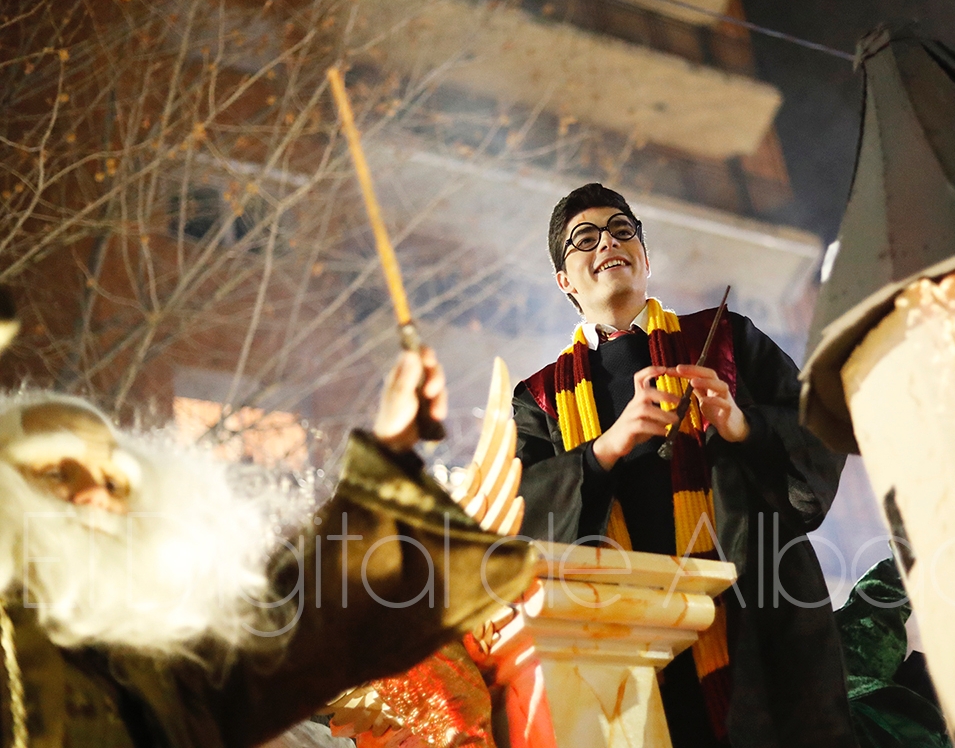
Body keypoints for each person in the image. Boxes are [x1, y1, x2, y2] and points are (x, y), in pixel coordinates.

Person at [0, 320, 534, 747]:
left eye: (113, 481)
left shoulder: (155, 672)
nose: (93, 493)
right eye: (56, 472)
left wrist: (392, 450)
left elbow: (289, 639)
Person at [513, 183, 857, 747]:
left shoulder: (725, 339)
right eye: (585, 239)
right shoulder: (540, 399)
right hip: (622, 648)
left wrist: (741, 425)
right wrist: (605, 449)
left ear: (645, 257)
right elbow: (519, 518)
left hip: (755, 622)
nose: (608, 243)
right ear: (564, 281)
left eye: (622, 230)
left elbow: (821, 432)